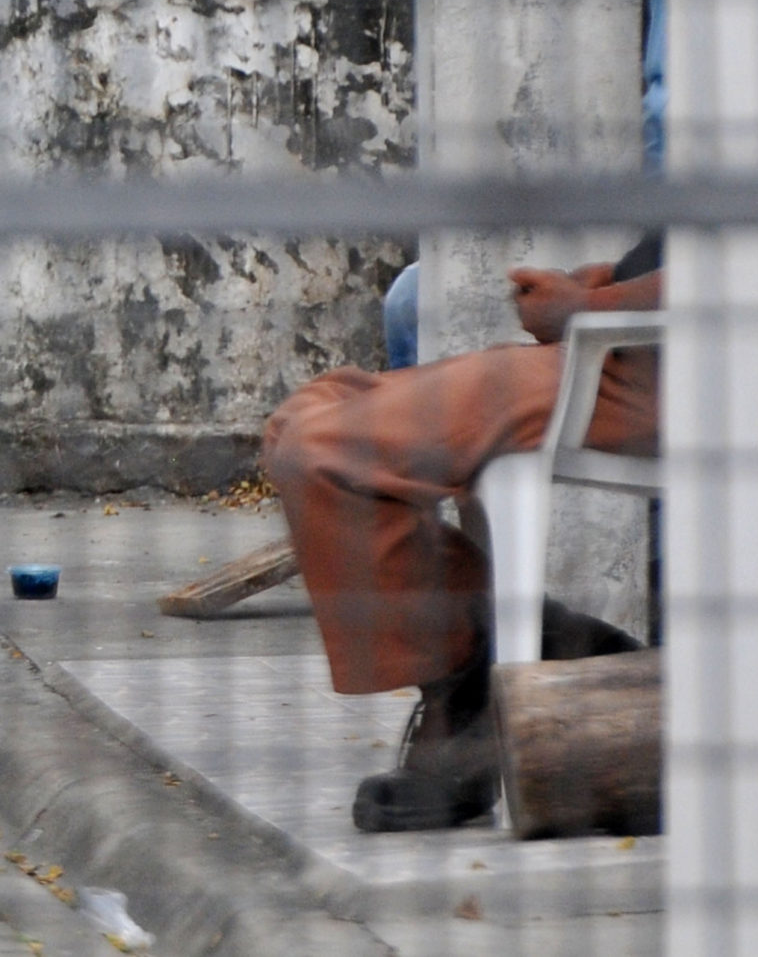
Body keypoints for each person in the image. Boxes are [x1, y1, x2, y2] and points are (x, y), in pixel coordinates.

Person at [260, 235, 662, 831]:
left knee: (319, 449)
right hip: (615, 343)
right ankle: (522, 636)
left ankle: (465, 676)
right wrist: (598, 282)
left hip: (654, 371)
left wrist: (585, 311)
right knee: (302, 416)